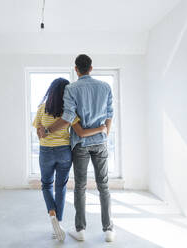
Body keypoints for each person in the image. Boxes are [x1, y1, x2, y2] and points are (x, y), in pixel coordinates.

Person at [39, 54, 115, 242]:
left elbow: (67, 119)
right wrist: (104, 135)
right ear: (90, 68)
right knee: (104, 186)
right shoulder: (105, 87)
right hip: (100, 142)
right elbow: (109, 115)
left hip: (80, 145)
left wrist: (47, 129)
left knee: (80, 187)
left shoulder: (71, 89)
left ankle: (80, 229)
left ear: (76, 69)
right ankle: (108, 230)